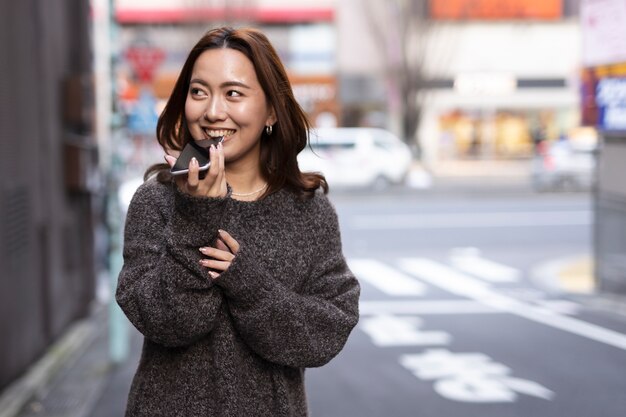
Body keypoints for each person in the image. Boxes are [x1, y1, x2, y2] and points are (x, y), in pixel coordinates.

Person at [115, 26, 360, 416]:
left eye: (233, 94)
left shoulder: (307, 210)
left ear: (272, 111)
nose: (212, 111)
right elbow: (166, 323)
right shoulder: (157, 200)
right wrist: (195, 217)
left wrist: (248, 283)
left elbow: (325, 332)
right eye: (198, 92)